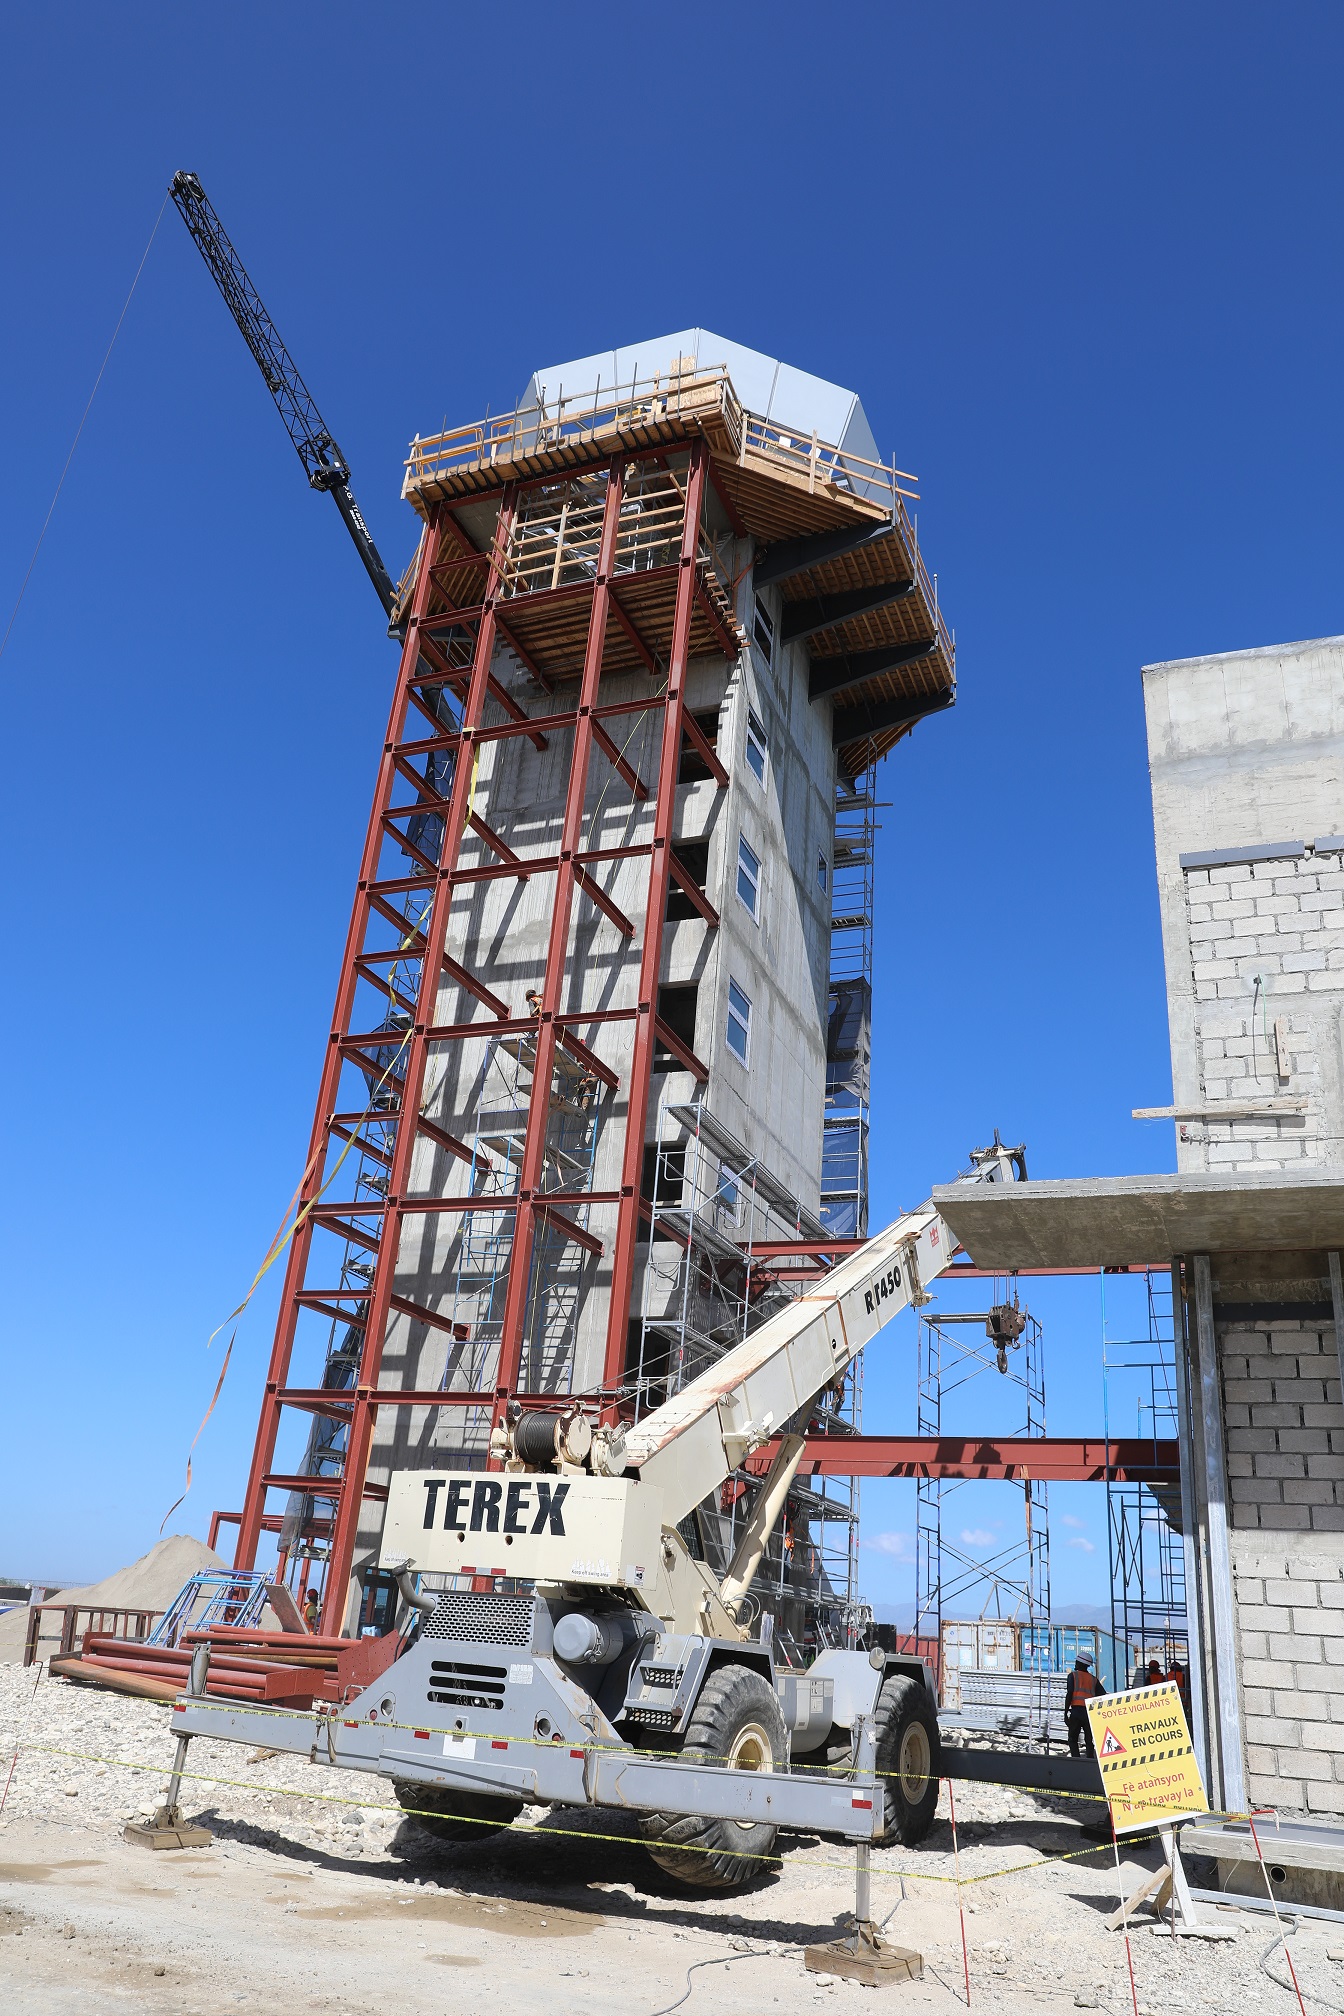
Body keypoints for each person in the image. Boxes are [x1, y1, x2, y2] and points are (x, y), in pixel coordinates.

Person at [1064, 1652, 1104, 1757]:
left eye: (1077, 1661)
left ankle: (1076, 1760)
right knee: (1088, 1740)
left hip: (1076, 1712)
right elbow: (1102, 1695)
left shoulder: (1073, 1676)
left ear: (1081, 1663)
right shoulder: (1093, 1679)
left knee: (1072, 1739)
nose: (1075, 1663)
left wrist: (1065, 1712)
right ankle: (1089, 1759)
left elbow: (1069, 1694)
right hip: (1089, 1713)